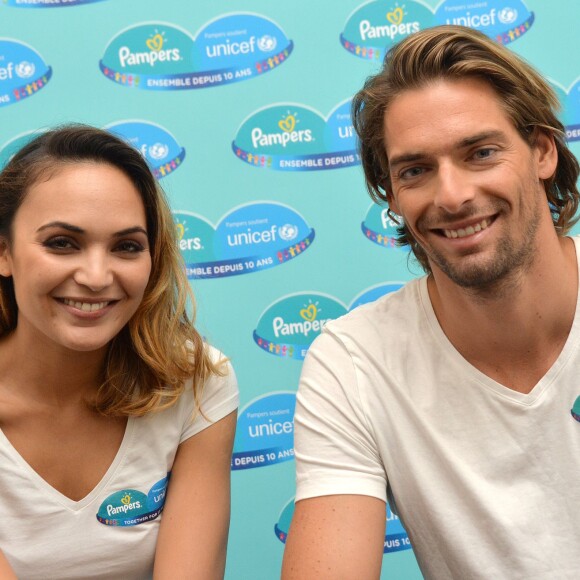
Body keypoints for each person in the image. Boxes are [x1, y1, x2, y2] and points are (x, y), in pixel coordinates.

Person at [282, 25, 580, 579]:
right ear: (392, 196)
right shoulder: (354, 363)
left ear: (542, 152)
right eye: (415, 170)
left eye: (481, 153)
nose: (453, 195)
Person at [0, 125, 239, 579]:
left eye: (126, 247)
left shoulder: (197, 381)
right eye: (62, 243)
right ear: (4, 253)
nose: (95, 275)